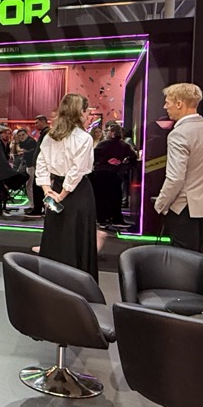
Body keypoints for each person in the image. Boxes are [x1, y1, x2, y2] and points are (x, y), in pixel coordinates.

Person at [152, 83, 203, 252]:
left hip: (183, 207)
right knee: (196, 258)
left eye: (167, 102)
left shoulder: (179, 134)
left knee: (182, 260)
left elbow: (175, 178)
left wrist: (161, 204)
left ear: (179, 103)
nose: (165, 107)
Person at [35, 93, 98, 279]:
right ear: (80, 112)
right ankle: (77, 284)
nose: (88, 116)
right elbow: (77, 171)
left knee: (55, 237)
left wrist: (48, 191)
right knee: (77, 239)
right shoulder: (84, 138)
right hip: (78, 193)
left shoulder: (50, 136)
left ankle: (50, 282)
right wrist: (60, 195)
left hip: (55, 189)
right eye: (87, 112)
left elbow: (41, 164)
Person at [92, 122, 138, 226]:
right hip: (115, 173)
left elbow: (93, 156)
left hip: (101, 173)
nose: (105, 133)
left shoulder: (102, 144)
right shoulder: (124, 145)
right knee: (115, 197)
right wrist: (123, 162)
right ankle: (116, 219)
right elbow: (133, 157)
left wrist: (102, 162)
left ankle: (102, 220)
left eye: (107, 131)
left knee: (101, 197)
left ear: (112, 133)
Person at [0, 125, 29, 217]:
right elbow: (1, 161)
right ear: (0, 134)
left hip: (3, 169)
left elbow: (6, 158)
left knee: (24, 175)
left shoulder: (6, 144)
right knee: (23, 176)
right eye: (5, 133)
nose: (7, 135)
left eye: (9, 134)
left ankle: (5, 187)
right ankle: (5, 187)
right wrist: (11, 170)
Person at [21, 116, 46, 216]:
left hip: (40, 165)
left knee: (37, 188)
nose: (35, 125)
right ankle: (36, 207)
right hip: (36, 164)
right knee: (35, 187)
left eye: (37, 122)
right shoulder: (43, 133)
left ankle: (38, 208)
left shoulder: (46, 133)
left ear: (43, 122)